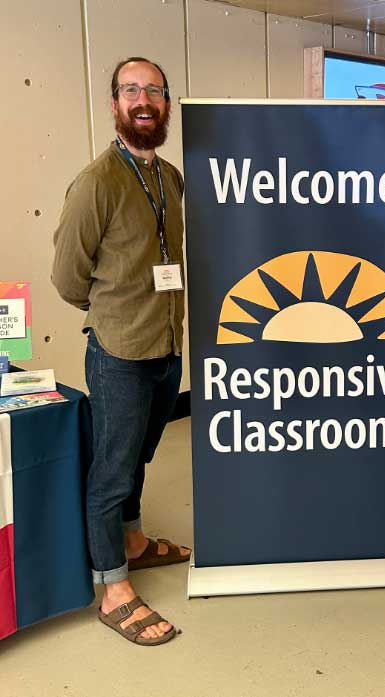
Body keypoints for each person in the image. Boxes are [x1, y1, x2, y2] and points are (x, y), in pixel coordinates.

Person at [52, 57, 189, 646]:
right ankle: (112, 586)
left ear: (164, 104)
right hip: (119, 351)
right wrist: (114, 310)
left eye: (153, 91)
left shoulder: (171, 177)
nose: (143, 100)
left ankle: (133, 541)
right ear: (114, 104)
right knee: (110, 470)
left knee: (139, 457)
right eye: (131, 90)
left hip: (165, 344)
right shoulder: (96, 182)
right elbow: (67, 277)